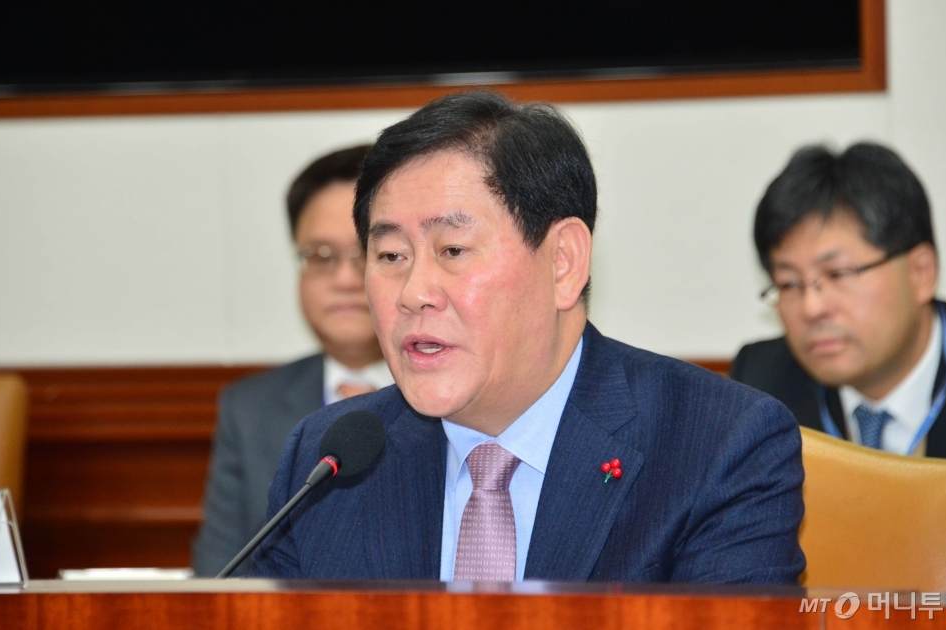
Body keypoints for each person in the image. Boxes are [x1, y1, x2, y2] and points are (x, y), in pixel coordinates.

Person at [250, 91, 805, 584]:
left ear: (563, 262)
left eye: (453, 250)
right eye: (391, 256)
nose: (413, 293)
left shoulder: (718, 446)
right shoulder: (325, 465)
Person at [731, 142, 946, 470]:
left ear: (921, 273)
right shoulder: (759, 388)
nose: (812, 308)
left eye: (838, 273)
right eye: (789, 283)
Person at [192, 145, 394, 577]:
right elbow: (218, 576)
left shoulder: (452, 393)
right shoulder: (250, 409)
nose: (345, 279)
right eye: (321, 255)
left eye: (366, 252)